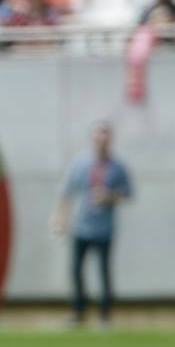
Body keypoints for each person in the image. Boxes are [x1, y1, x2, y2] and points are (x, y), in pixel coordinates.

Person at [51, 122, 131, 326]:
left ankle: (105, 314)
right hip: (81, 226)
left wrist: (109, 196)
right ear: (92, 138)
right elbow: (67, 191)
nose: (101, 141)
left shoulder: (117, 167)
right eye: (98, 136)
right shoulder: (80, 163)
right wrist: (60, 217)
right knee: (76, 270)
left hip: (105, 228)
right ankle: (78, 311)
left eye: (105, 136)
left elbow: (128, 193)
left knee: (104, 270)